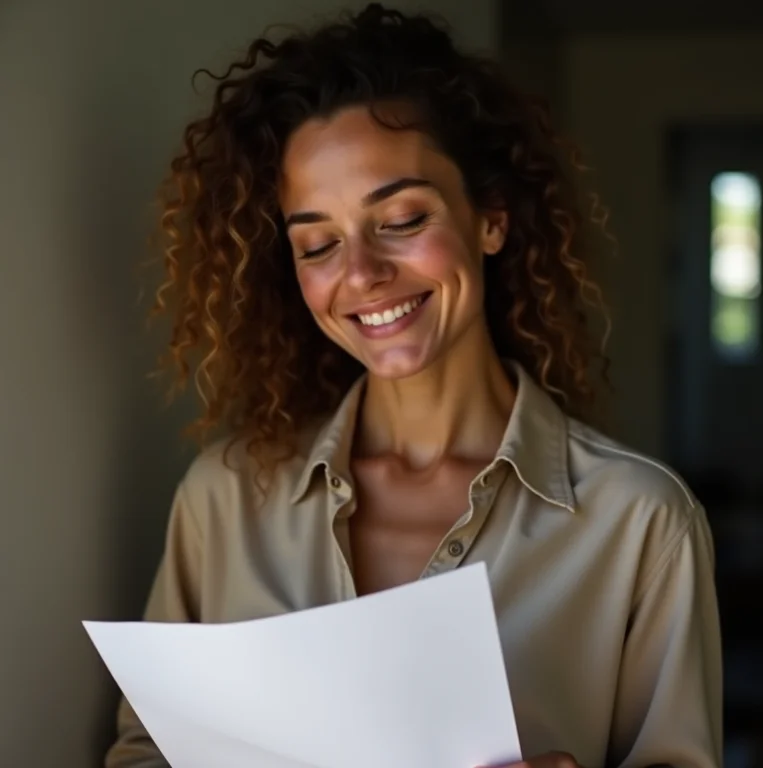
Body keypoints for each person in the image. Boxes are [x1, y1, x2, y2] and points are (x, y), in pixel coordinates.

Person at [105, 4, 722, 767]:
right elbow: (143, 752)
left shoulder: (639, 525)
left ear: (491, 219)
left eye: (400, 218)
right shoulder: (222, 502)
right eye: (319, 243)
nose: (360, 275)